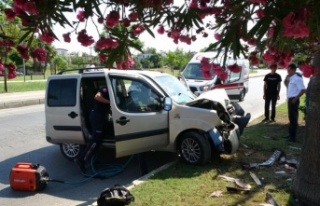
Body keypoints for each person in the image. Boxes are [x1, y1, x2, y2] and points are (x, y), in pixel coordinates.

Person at [75, 85, 110, 172]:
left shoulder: (113, 87)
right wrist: (110, 102)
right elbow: (97, 96)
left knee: (99, 141)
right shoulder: (105, 88)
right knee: (95, 141)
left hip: (101, 117)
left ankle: (94, 160)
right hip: (97, 116)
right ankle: (81, 160)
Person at [283, 63, 306, 142]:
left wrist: (295, 99)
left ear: (293, 70)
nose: (287, 71)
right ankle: (290, 134)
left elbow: (303, 90)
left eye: (289, 70)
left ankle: (293, 137)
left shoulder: (297, 79)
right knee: (291, 118)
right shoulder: (291, 78)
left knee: (293, 119)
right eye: (287, 70)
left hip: (294, 100)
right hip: (290, 99)